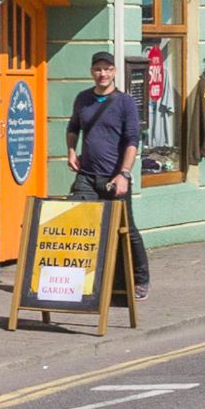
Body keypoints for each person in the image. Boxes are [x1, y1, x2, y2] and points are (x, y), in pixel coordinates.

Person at [67, 52, 150, 294]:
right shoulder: (83, 99)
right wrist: (71, 150)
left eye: (107, 69)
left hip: (114, 178)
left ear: (114, 71)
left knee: (126, 229)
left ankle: (140, 280)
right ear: (92, 71)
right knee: (80, 225)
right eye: (98, 69)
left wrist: (124, 173)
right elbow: (73, 127)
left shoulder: (124, 102)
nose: (102, 74)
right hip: (87, 176)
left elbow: (132, 140)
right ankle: (83, 281)